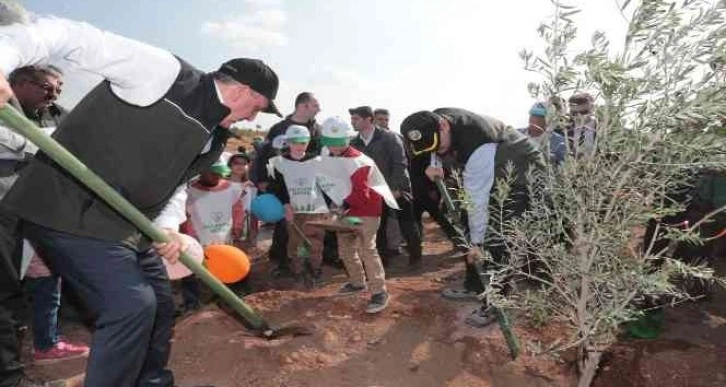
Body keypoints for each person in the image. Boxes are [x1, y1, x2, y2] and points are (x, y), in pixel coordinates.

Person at [0, 11, 281, 387]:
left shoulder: (214, 137)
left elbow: (176, 186)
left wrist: (168, 228)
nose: (253, 117)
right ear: (244, 92)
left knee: (161, 304)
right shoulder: (163, 74)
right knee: (131, 305)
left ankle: (151, 380)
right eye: (258, 108)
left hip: (130, 227)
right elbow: (68, 33)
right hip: (68, 210)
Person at [400, 108, 545, 327]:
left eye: (439, 146)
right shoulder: (433, 121)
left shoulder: (477, 144)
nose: (439, 149)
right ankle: (474, 285)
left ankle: (496, 301)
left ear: (444, 126)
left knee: (498, 235)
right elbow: (432, 147)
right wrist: (435, 165)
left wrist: (477, 244)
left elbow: (477, 199)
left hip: (520, 172)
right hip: (487, 170)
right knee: (466, 224)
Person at [318, 116, 392, 313]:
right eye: (329, 144)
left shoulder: (359, 162)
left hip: (366, 212)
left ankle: (379, 292)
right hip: (347, 210)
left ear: (347, 140)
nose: (332, 148)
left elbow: (362, 194)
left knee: (367, 248)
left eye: (337, 143)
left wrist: (341, 207)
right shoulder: (329, 156)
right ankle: (357, 282)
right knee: (346, 248)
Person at [255, 92, 322, 278]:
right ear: (303, 106)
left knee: (310, 231)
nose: (319, 109)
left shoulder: (317, 129)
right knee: (285, 226)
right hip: (283, 188)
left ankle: (311, 263)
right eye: (316, 105)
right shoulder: (279, 128)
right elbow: (264, 155)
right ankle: (283, 262)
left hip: (309, 195)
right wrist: (262, 179)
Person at [349, 106, 422, 267]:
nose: (352, 122)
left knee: (407, 224)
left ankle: (416, 257)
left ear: (368, 119)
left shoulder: (389, 137)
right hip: (373, 192)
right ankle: (383, 261)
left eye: (356, 119)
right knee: (379, 228)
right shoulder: (354, 143)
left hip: (396, 190)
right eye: (352, 119)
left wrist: (396, 189)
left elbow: (400, 163)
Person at [267, 125, 329, 286]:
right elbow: (277, 187)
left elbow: (326, 185)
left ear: (308, 141)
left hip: (315, 209)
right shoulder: (278, 163)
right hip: (293, 211)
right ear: (288, 142)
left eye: (302, 141)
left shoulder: (317, 161)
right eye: (294, 141)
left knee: (315, 241)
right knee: (297, 242)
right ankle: (299, 270)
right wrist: (286, 205)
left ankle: (315, 269)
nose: (299, 145)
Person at [180, 161, 244, 310]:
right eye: (213, 173)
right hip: (198, 241)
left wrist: (238, 226)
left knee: (225, 267)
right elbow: (184, 217)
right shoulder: (189, 193)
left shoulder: (230, 189)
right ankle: (192, 303)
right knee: (193, 272)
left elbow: (237, 209)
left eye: (220, 173)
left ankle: (227, 299)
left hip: (224, 239)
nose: (217, 176)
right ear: (201, 172)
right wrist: (189, 236)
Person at [227, 152, 257, 246]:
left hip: (244, 224)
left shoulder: (250, 185)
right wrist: (242, 189)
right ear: (230, 165)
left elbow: (252, 208)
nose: (240, 166)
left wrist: (253, 228)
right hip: (226, 224)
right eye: (236, 163)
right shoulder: (222, 183)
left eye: (244, 163)